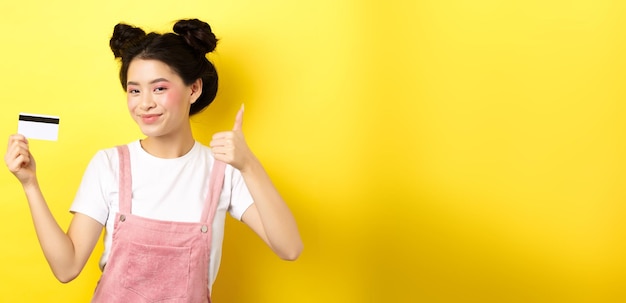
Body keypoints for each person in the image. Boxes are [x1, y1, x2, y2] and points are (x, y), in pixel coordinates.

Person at [4, 18, 303, 302]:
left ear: (194, 89)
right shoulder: (109, 164)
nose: (145, 103)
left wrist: (249, 165)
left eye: (159, 88)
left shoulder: (223, 170)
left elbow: (289, 248)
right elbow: (66, 268)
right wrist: (30, 184)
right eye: (134, 90)